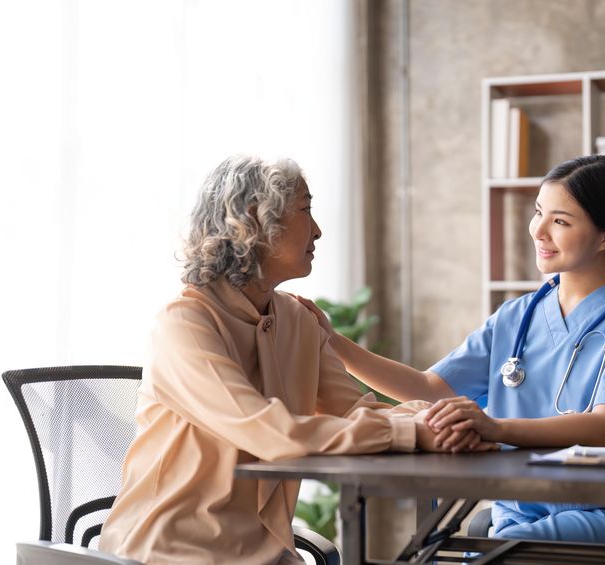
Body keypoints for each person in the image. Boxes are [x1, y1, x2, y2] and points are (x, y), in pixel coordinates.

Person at [99, 155, 494, 565]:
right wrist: (411, 432)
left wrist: (441, 421)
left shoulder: (296, 320)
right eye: (305, 209)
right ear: (253, 223)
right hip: (170, 552)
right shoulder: (183, 325)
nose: (318, 230)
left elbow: (357, 410)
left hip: (266, 553)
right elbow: (270, 433)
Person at [297, 155, 605, 548]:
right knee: (475, 548)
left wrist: (495, 428)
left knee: (497, 552)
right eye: (539, 212)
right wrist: (333, 341)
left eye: (560, 221)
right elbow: (428, 387)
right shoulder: (516, 317)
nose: (539, 231)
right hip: (523, 508)